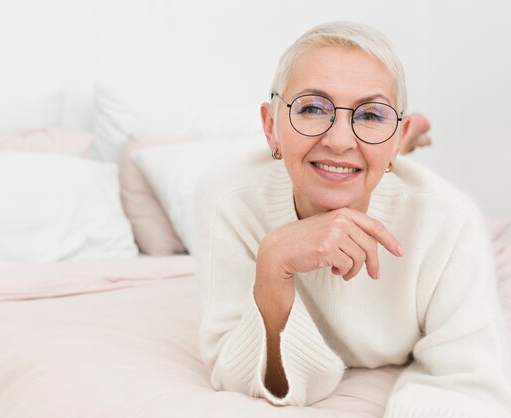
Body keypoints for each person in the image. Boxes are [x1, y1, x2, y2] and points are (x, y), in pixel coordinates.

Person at [195, 21, 511, 417]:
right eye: (311, 108)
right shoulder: (226, 200)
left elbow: (471, 385)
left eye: (371, 115)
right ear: (270, 127)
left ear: (397, 134)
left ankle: (399, 140)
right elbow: (242, 372)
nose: (339, 139)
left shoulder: (449, 220)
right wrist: (273, 262)